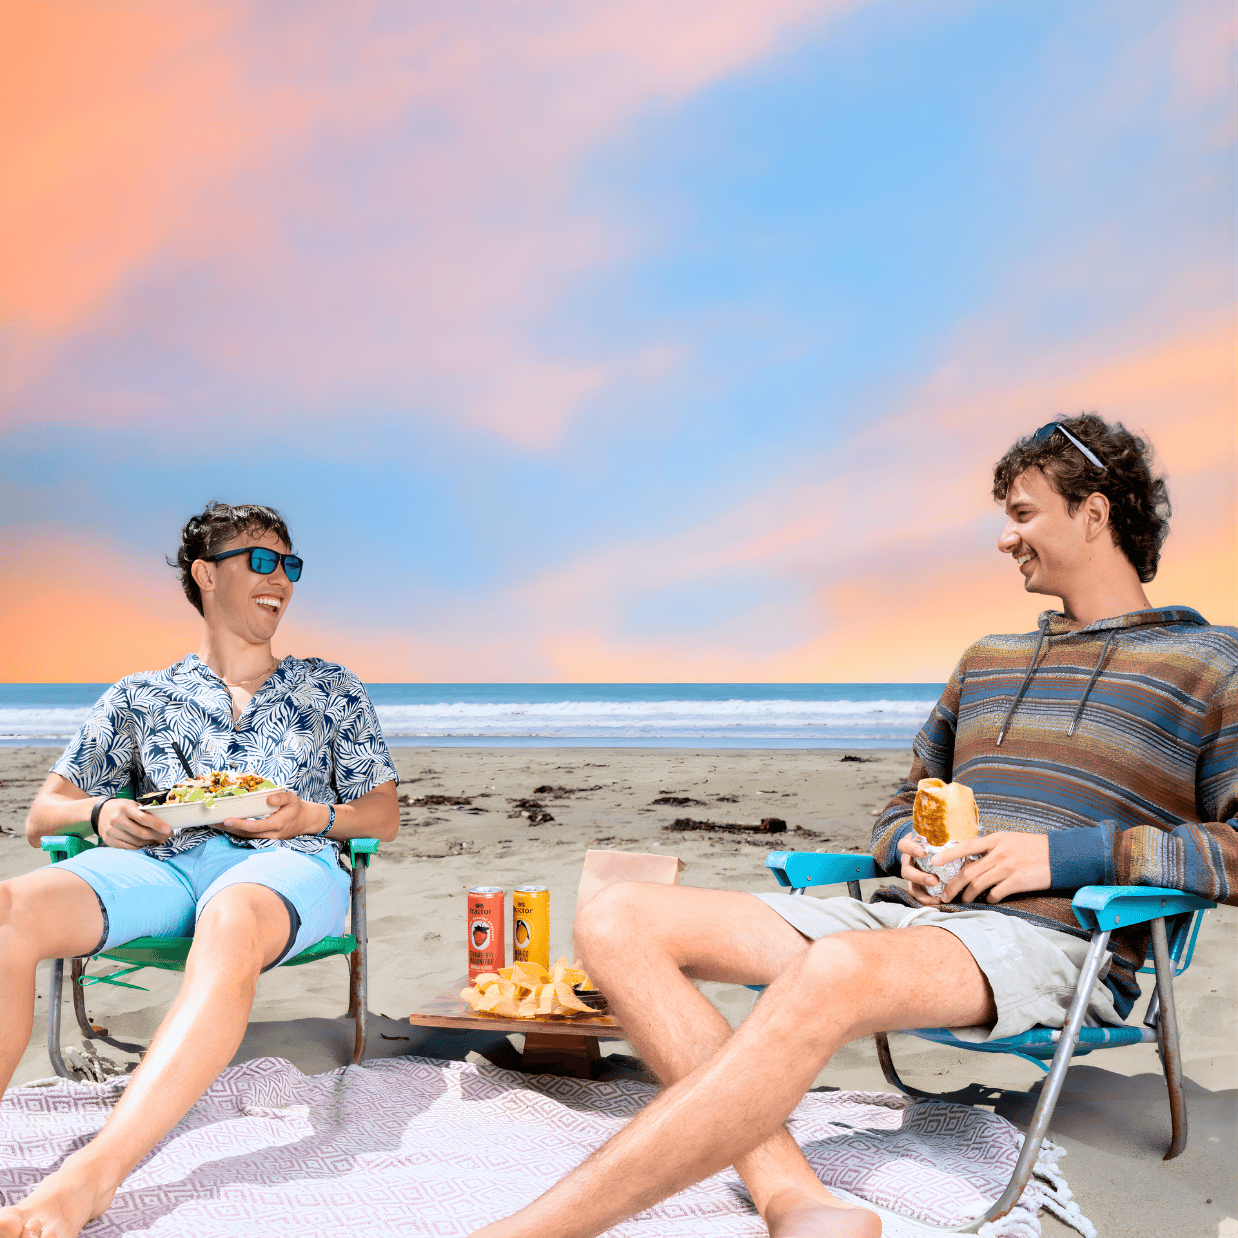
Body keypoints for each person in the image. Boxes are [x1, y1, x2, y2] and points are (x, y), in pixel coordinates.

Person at [474, 414, 1238, 1238]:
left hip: (1054, 941)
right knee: (616, 917)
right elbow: (901, 802)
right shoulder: (987, 660)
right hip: (905, 918)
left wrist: (1062, 855)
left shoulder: (1211, 665)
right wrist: (902, 844)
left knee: (833, 970)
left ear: (1094, 513)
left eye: (1023, 514)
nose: (1004, 538)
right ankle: (793, 1196)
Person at [0, 501, 399, 1238]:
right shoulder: (139, 695)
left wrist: (309, 817)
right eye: (262, 561)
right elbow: (42, 812)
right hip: (164, 863)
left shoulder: (330, 687)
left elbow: (382, 813)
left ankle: (93, 1174)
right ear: (206, 575)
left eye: (291, 566)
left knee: (235, 914)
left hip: (289, 863)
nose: (282, 578)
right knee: (8, 911)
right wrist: (99, 816)